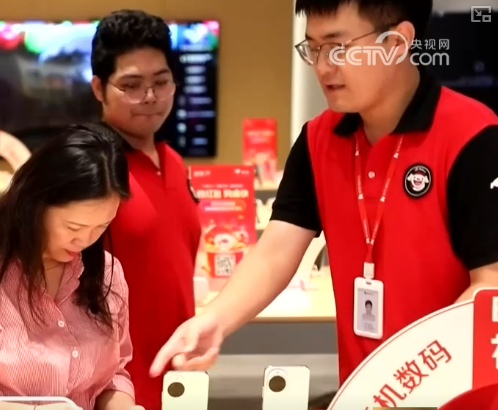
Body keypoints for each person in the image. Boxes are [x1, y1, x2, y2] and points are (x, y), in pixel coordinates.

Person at [151, 0, 498, 399]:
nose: (321, 66)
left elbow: (489, 289)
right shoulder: (319, 139)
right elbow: (276, 252)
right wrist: (214, 319)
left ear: (396, 43)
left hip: (455, 398)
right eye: (313, 48)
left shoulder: (473, 137)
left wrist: (404, 386)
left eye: (337, 48)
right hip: (361, 394)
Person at [0, 124, 139, 410]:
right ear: (34, 206)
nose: (85, 240)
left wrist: (124, 407)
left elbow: (114, 375)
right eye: (73, 227)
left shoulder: (107, 273)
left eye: (102, 226)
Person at [89, 10, 202, 410]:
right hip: (113, 391)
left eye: (161, 82)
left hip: (180, 377)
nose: (150, 96)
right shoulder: (89, 169)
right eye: (132, 85)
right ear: (99, 88)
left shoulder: (173, 161)